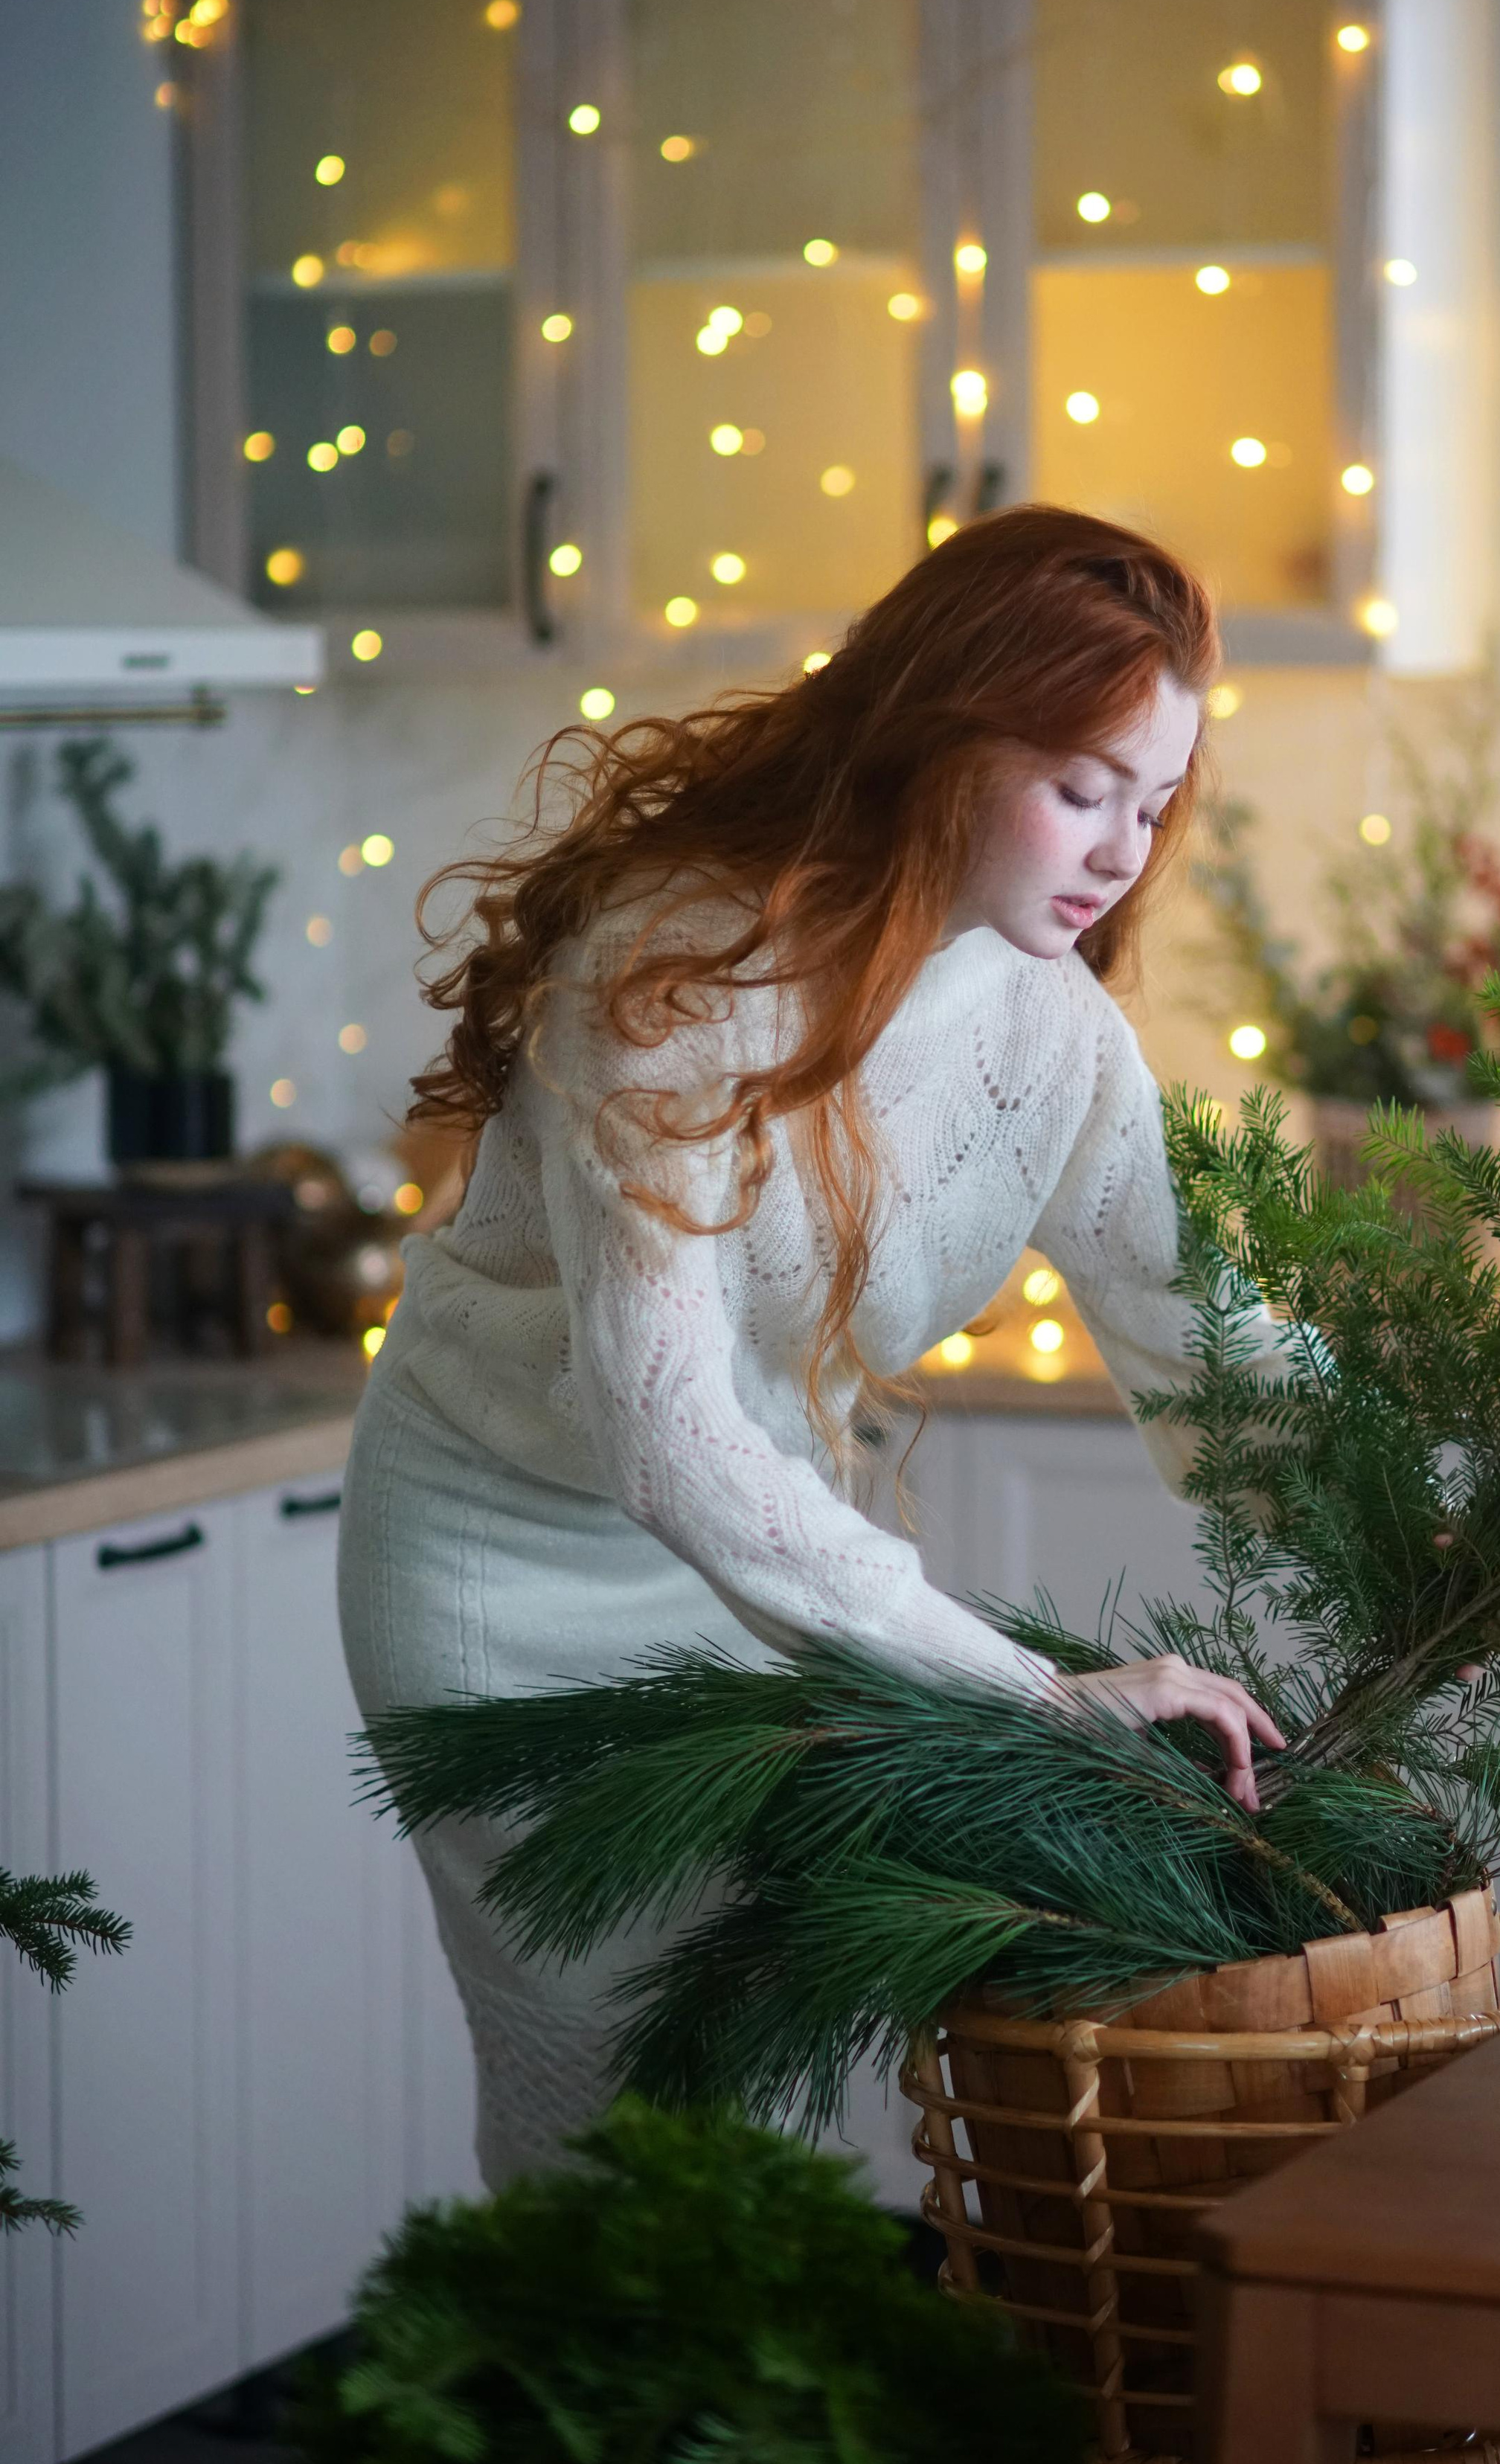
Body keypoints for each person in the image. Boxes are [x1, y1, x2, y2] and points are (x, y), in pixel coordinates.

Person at [339, 502, 1285, 2189]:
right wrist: (1050, 1699)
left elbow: (1201, 1329)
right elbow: (665, 1437)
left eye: (1152, 802)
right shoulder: (681, 969)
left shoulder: (1051, 1033)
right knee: (613, 2111)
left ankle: (722, 2446)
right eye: (1081, 788)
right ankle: (590, 2436)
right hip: (509, 1557)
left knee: (753, 2087)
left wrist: (1453, 1500)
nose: (1123, 848)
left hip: (757, 1572)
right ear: (937, 737)